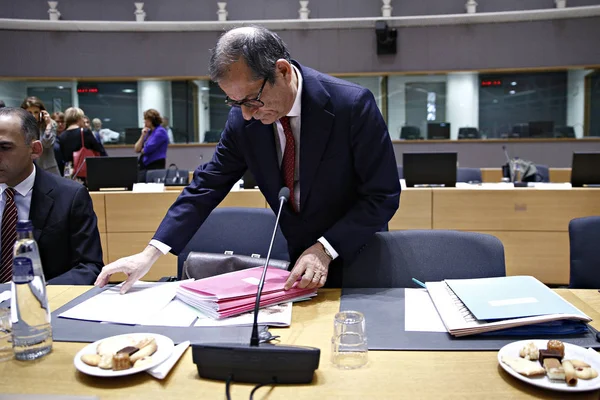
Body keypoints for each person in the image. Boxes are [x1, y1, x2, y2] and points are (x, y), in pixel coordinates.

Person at [96, 26, 400, 294]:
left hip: (358, 254)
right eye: (234, 102)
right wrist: (150, 254)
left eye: (252, 100)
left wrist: (324, 249)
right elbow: (206, 186)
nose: (245, 113)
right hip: (299, 262)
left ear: (281, 71)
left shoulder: (351, 105)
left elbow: (382, 195)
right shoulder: (243, 122)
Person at [0, 107, 103, 284]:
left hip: (47, 304)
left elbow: (89, 266)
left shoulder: (70, 197)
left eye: (4, 147)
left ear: (35, 149)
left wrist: (34, 292)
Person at [20, 96, 60, 176]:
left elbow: (47, 144)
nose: (33, 116)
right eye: (29, 112)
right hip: (27, 168)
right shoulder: (20, 126)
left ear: (41, 113)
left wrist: (48, 125)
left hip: (48, 167)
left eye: (36, 112)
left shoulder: (51, 125)